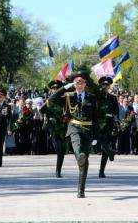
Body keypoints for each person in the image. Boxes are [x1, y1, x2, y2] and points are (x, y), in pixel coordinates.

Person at [47, 70, 98, 198]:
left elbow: (96, 117)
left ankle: (81, 190)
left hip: (88, 130)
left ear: (85, 84)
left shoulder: (92, 97)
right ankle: (79, 154)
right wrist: (65, 87)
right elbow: (51, 99)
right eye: (76, 83)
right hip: (74, 127)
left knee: (84, 162)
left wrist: (96, 136)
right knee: (78, 149)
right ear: (74, 84)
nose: (79, 85)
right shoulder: (69, 96)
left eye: (81, 82)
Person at [40, 80, 67, 178]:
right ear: (51, 90)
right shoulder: (49, 100)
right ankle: (58, 171)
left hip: (63, 127)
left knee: (62, 151)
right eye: (53, 89)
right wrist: (49, 99)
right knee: (59, 148)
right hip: (53, 127)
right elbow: (41, 110)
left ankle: (58, 171)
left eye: (57, 88)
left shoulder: (64, 100)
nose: (55, 90)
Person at [96, 76, 119, 178]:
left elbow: (116, 112)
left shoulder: (113, 98)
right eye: (103, 85)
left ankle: (102, 170)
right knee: (100, 143)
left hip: (108, 124)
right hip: (98, 124)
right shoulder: (96, 97)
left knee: (106, 145)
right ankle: (110, 152)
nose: (105, 87)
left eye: (107, 85)